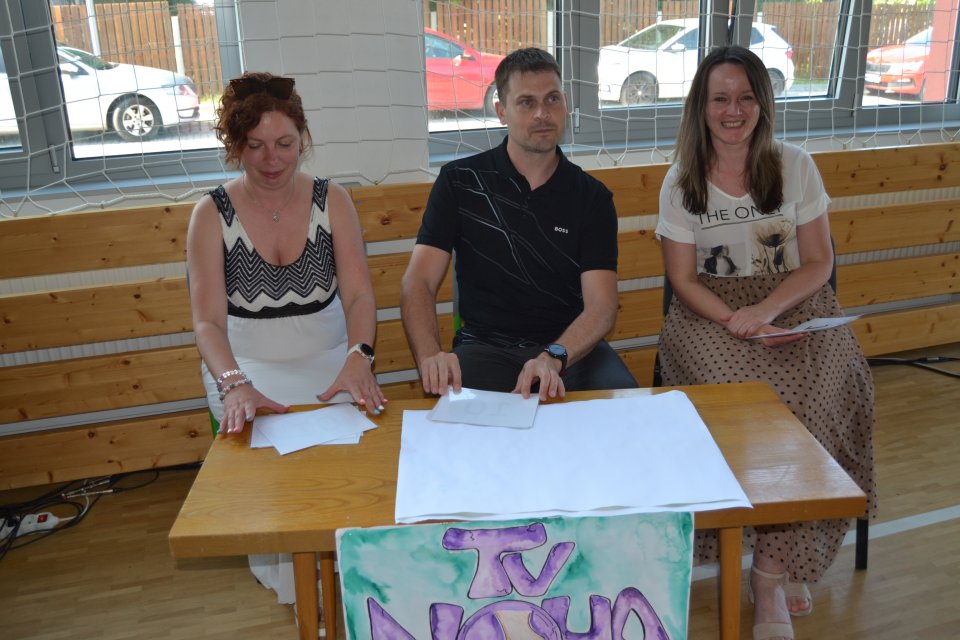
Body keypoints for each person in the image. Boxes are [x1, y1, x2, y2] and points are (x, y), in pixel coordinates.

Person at [655, 47, 875, 640]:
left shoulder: (796, 165)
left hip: (793, 301)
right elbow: (683, 282)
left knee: (815, 396)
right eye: (720, 98)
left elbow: (819, 262)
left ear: (763, 103)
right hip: (711, 311)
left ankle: (770, 572)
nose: (734, 110)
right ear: (701, 107)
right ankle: (746, 542)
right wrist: (738, 319)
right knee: (746, 401)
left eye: (746, 97)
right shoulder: (680, 181)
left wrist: (768, 310)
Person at [186, 71, 386, 605]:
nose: (271, 159)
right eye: (255, 145)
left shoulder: (331, 200)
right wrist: (235, 384)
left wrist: (359, 357)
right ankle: (302, 585)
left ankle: (354, 568)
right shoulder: (211, 214)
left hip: (331, 358)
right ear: (236, 146)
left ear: (303, 140)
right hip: (246, 366)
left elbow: (359, 297)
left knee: (347, 462)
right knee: (279, 472)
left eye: (285, 144)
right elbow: (207, 323)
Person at [400, 47, 638, 400]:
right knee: (462, 422)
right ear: (502, 112)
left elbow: (601, 307)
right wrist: (430, 356)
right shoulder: (459, 182)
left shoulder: (592, 197)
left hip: (569, 351)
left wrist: (553, 357)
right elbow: (417, 282)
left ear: (566, 105)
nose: (542, 113)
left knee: (625, 410)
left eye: (552, 99)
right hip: (484, 348)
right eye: (526, 102)